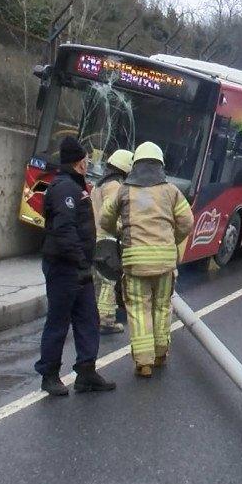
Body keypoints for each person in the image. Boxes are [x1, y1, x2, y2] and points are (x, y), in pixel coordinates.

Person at [98, 142, 194, 378]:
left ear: (136, 164)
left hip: (135, 261)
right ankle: (161, 354)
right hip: (164, 262)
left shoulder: (123, 190)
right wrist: (172, 239)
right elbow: (187, 222)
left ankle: (144, 363)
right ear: (160, 164)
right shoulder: (171, 191)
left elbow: (104, 219)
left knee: (139, 310)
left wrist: (119, 232)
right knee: (162, 306)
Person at [35, 137, 116, 396]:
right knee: (58, 321)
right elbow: (64, 229)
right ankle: (49, 375)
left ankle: (86, 372)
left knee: (88, 319)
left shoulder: (75, 186)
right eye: (85, 160)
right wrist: (81, 261)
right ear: (78, 162)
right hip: (64, 267)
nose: (88, 163)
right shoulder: (64, 189)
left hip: (78, 267)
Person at [93, 149, 134, 335]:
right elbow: (108, 215)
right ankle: (106, 320)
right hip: (107, 240)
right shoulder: (114, 187)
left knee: (98, 282)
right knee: (109, 281)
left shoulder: (98, 185)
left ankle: (95, 316)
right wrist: (122, 229)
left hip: (94, 239)